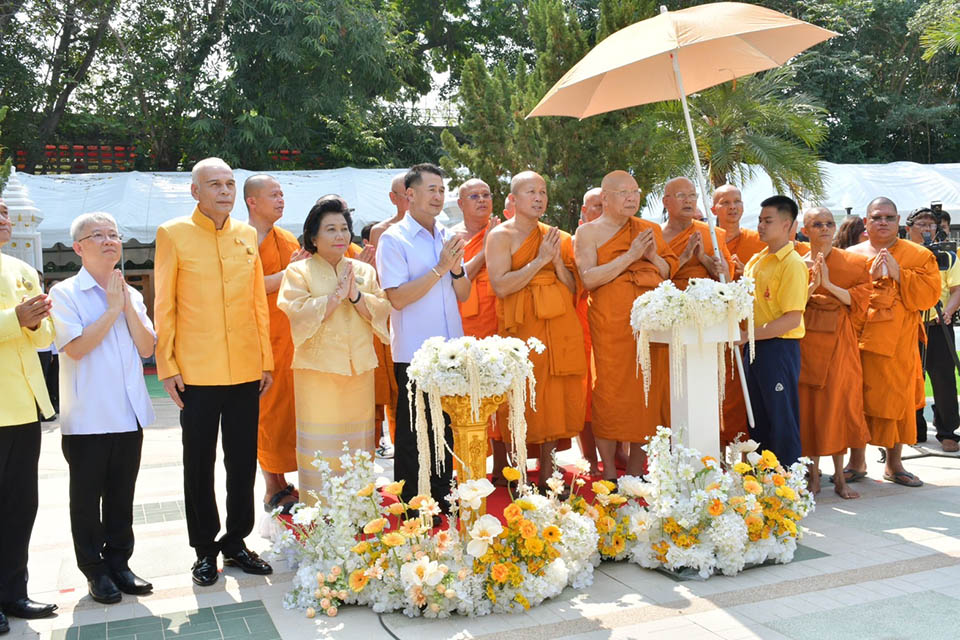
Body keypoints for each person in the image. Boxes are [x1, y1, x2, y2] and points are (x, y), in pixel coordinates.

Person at [154, 157, 274, 587]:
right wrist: (167, 364)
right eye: (215, 185)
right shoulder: (173, 233)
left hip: (244, 367)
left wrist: (265, 360)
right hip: (196, 372)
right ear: (195, 191)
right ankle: (204, 549)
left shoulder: (246, 234)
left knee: (242, 461)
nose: (224, 191)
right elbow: (164, 304)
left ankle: (237, 541)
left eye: (229, 184)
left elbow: (257, 303)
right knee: (199, 462)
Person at [50, 212, 156, 604]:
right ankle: (94, 570)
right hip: (88, 417)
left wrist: (124, 304)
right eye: (98, 235)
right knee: (86, 500)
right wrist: (111, 309)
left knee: (121, 495)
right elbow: (75, 348)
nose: (109, 240)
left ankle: (120, 563)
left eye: (114, 234)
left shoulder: (131, 293)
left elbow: (147, 347)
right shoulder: (65, 294)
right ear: (78, 247)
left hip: (128, 412)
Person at [278, 197, 390, 503]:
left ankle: (359, 506)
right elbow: (296, 312)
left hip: (359, 369)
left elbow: (382, 310)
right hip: (317, 373)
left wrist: (355, 296)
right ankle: (320, 508)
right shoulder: (298, 272)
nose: (340, 235)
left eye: (344, 228)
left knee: (357, 445)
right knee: (321, 445)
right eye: (330, 229)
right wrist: (333, 299)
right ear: (313, 237)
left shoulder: (363, 271)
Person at [377, 163, 470, 506]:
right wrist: (440, 268)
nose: (438, 196)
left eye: (442, 190)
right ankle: (413, 503)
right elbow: (398, 298)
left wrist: (455, 270)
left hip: (450, 348)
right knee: (414, 430)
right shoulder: (394, 239)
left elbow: (463, 294)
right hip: (415, 351)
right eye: (431, 189)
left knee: (444, 427)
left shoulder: (447, 235)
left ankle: (442, 494)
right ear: (410, 194)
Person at [486, 171, 586, 492]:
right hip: (521, 327)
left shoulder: (558, 237)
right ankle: (518, 474)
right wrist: (539, 260)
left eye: (542, 192)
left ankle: (548, 474)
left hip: (557, 325)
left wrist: (555, 263)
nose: (539, 198)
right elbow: (501, 286)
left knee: (555, 395)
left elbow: (573, 287)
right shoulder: (500, 236)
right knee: (520, 394)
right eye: (531, 192)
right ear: (513, 199)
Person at [575, 171, 676, 481]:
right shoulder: (588, 233)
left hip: (649, 324)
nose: (632, 197)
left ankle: (635, 470)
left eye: (636, 191)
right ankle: (608, 469)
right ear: (605, 198)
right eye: (624, 192)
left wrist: (651, 256)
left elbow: (667, 271)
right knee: (609, 393)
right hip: (611, 324)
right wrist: (630, 256)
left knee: (647, 394)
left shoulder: (648, 230)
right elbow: (589, 278)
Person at [846, 198, 941, 486]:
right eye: (877, 217)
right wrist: (870, 278)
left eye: (889, 217)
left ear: (899, 221)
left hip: (898, 344)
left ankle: (894, 464)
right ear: (866, 222)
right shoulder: (850, 256)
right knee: (856, 400)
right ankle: (856, 461)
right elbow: (841, 296)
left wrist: (899, 274)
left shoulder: (918, 255)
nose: (883, 222)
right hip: (858, 340)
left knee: (897, 401)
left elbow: (929, 297)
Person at [0, 196, 58, 632]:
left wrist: (35, 323)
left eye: (5, 212)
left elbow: (43, 339)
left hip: (23, 405)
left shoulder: (21, 268)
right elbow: (14, 322)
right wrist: (14, 318)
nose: (3, 219)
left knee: (21, 505)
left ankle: (13, 592)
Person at [243, 175, 308, 514]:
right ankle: (272, 485)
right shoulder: (240, 239)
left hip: (291, 336)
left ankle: (288, 481)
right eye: (273, 195)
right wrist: (291, 273)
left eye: (282, 194)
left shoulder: (287, 238)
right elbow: (244, 286)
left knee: (291, 411)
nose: (281, 200)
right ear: (252, 201)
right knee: (267, 414)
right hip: (260, 338)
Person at [796, 207, 872, 498]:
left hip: (840, 340)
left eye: (829, 223)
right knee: (809, 406)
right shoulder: (796, 263)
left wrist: (827, 285)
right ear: (805, 230)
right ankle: (813, 475)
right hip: (806, 340)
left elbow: (862, 300)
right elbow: (788, 304)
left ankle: (840, 478)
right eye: (817, 224)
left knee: (839, 403)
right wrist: (812, 287)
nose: (825, 228)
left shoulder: (853, 261)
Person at [741, 196, 809, 466]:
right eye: (760, 220)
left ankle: (787, 480)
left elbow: (791, 319)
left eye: (767, 221)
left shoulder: (792, 264)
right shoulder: (756, 261)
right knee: (757, 418)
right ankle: (762, 480)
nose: (760, 226)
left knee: (781, 419)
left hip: (778, 348)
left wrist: (748, 336)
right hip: (754, 347)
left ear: (787, 225)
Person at [449, 178, 508, 482]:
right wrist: (486, 249)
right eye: (474, 196)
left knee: (501, 392)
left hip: (500, 316)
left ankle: (502, 465)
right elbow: (460, 277)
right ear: (460, 204)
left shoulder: (506, 232)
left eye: (486, 194)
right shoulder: (451, 238)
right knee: (470, 393)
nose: (482, 200)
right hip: (465, 321)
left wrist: (496, 239)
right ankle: (470, 467)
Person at [904, 208, 960, 452]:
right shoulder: (902, 254)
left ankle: (948, 431)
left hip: (938, 325)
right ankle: (914, 428)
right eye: (921, 224)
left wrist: (948, 311)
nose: (926, 229)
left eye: (931, 225)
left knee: (944, 378)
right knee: (910, 378)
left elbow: (957, 289)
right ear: (908, 228)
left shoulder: (947, 256)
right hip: (909, 326)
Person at [712, 184, 762, 446]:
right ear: (714, 209)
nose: (732, 207)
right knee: (718, 390)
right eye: (725, 202)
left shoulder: (758, 241)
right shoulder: (707, 238)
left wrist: (746, 274)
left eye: (737, 201)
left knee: (745, 391)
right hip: (714, 325)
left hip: (749, 326)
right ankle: (716, 450)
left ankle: (745, 450)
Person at [360, 221, 397, 459]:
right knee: (369, 403)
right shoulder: (357, 265)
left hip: (393, 331)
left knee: (400, 400)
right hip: (367, 341)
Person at [660, 177, 733, 289]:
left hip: (707, 297)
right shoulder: (656, 235)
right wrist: (685, 256)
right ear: (666, 202)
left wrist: (703, 258)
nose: (688, 200)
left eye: (692, 195)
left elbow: (726, 281)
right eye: (681, 195)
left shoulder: (712, 233)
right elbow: (652, 277)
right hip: (667, 297)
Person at [576, 187, 603, 476]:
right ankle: (589, 456)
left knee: (615, 388)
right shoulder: (576, 240)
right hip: (583, 319)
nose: (601, 211)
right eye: (596, 206)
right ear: (584, 212)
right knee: (586, 393)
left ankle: (618, 452)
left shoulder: (622, 236)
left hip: (615, 319)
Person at [369, 174, 410, 247]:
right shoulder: (380, 231)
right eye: (408, 195)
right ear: (393, 198)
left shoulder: (430, 229)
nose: (413, 200)